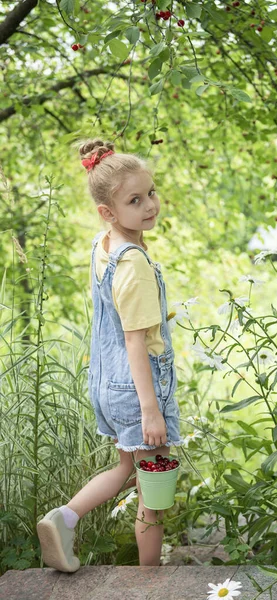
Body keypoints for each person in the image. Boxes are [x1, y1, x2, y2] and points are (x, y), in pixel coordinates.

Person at [37, 138, 184, 572]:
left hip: (106, 382)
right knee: (152, 494)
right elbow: (136, 341)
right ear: (108, 212)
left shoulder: (105, 246)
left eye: (151, 193)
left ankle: (63, 518)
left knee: (125, 468)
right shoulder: (133, 263)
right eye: (135, 200)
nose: (150, 205)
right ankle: (149, 582)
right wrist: (150, 411)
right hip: (137, 391)